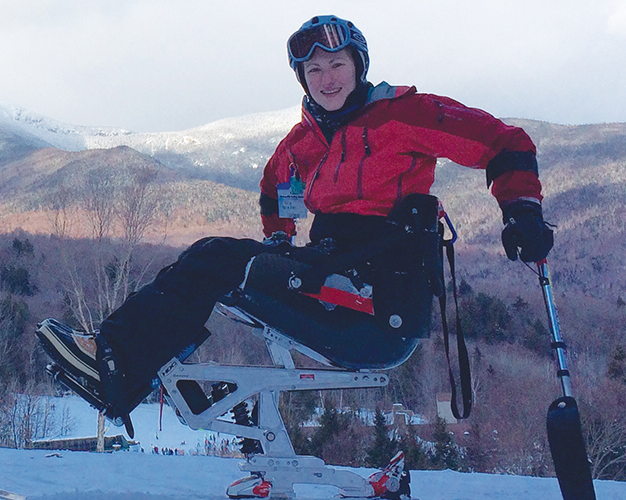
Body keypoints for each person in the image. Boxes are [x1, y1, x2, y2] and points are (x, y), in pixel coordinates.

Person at [37, 15, 553, 433]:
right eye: (314, 70)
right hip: (331, 272)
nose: (328, 79)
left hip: (381, 296)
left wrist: (523, 211)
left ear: (359, 66)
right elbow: (274, 187)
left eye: (337, 64)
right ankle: (119, 367)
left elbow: (503, 141)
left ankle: (113, 361)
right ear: (302, 78)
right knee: (211, 257)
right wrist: (279, 241)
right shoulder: (303, 140)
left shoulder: (404, 114)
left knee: (217, 259)